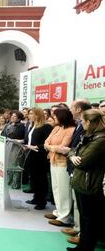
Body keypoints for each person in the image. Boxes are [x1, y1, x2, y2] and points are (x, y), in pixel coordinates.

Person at [67, 110, 105, 251]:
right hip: (81, 182)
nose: (81, 123)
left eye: (82, 121)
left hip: (90, 184)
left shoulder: (101, 140)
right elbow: (72, 150)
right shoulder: (89, 136)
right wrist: (72, 156)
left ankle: (86, 247)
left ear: (89, 122)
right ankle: (82, 246)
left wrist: (73, 155)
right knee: (84, 218)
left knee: (89, 219)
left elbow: (83, 161)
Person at [60, 99, 92, 245]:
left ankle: (82, 233)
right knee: (76, 201)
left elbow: (81, 148)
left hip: (83, 169)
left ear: (78, 109)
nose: (70, 110)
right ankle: (77, 228)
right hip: (73, 165)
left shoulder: (88, 126)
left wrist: (72, 154)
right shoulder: (80, 124)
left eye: (72, 107)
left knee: (83, 207)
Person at [44, 108, 75, 227]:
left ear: (62, 117)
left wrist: (50, 147)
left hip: (63, 163)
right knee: (56, 188)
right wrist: (51, 147)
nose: (53, 118)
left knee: (63, 190)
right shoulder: (57, 128)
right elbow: (46, 141)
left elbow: (63, 147)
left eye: (55, 116)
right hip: (53, 161)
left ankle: (65, 217)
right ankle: (58, 212)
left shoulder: (71, 130)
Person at [23, 108, 53, 210]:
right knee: (34, 177)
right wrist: (26, 145)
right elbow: (29, 140)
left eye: (31, 114)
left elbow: (48, 142)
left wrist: (37, 147)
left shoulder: (46, 126)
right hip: (31, 154)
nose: (29, 115)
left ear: (38, 115)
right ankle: (36, 197)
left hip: (40, 156)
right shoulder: (32, 126)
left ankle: (42, 201)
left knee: (41, 179)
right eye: (29, 114)